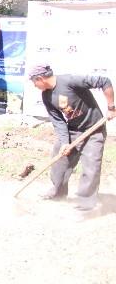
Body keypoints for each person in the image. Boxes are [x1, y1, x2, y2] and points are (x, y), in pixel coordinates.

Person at [29, 65, 116, 210]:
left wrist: (111, 107)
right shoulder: (46, 96)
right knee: (60, 159)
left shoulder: (70, 81)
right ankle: (58, 192)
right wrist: (64, 142)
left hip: (94, 130)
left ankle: (86, 203)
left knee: (91, 166)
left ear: (40, 79)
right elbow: (58, 121)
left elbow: (104, 81)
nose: (34, 85)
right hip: (73, 130)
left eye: (34, 82)